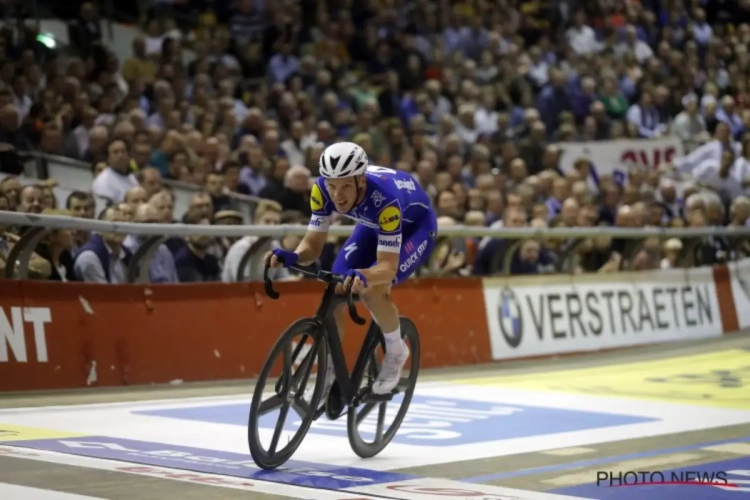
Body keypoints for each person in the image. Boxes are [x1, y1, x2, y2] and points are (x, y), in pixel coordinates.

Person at [265, 142, 438, 396]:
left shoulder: (385, 198)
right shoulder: (321, 189)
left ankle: (396, 350)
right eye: (332, 185)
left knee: (372, 291)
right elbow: (312, 246)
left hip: (415, 227)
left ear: (361, 180)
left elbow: (387, 268)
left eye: (346, 185)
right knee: (335, 287)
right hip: (373, 223)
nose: (338, 195)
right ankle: (331, 370)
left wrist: (365, 275)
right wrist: (293, 256)